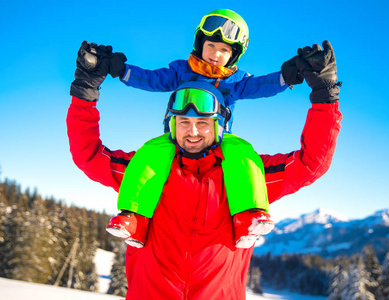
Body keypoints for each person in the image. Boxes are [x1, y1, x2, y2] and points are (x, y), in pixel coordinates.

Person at [68, 39, 342, 299]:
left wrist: (325, 98)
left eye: (203, 122)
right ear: (171, 124)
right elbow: (88, 154)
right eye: (183, 122)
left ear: (220, 125)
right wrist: (85, 91)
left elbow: (311, 163)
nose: (193, 132)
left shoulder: (246, 175)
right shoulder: (145, 172)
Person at [80, 8, 304, 246]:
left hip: (217, 139)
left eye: (224, 50)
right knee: (148, 156)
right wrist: (122, 70)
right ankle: (134, 218)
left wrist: (286, 77)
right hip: (177, 134)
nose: (216, 54)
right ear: (200, 44)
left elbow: (261, 85)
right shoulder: (182, 71)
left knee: (243, 155)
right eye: (211, 46)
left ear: (234, 55)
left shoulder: (234, 81)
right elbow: (153, 79)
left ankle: (246, 217)